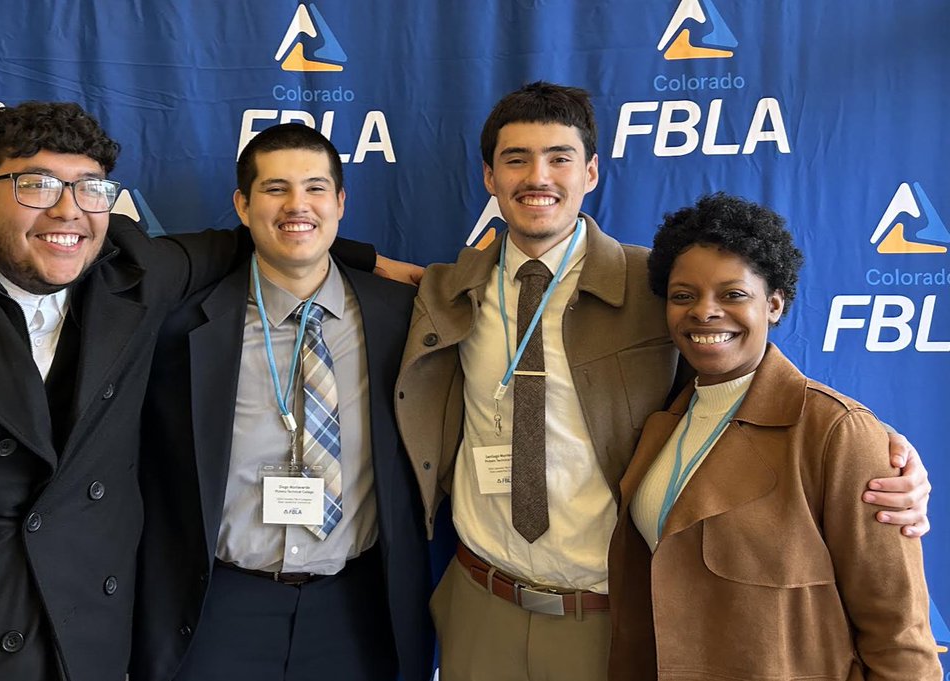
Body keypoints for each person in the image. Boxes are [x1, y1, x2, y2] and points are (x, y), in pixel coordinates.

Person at [0, 103, 382, 681]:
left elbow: (270, 235)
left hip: (82, 654)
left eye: (89, 189)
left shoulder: (135, 280)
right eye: (37, 185)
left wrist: (365, 258)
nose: (67, 210)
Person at [393, 82, 933, 681]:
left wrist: (883, 457)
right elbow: (305, 247)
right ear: (490, 177)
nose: (537, 176)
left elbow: (744, 383)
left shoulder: (661, 285)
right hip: (479, 602)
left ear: (591, 171)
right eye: (516, 158)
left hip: (612, 615)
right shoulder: (448, 291)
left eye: (559, 157)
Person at [130, 123, 433, 681]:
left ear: (340, 202)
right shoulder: (182, 326)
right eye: (276, 189)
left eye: (316, 188)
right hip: (217, 609)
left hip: (356, 612)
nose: (299, 205)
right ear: (242, 206)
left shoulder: (405, 317)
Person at [607, 192, 941, 679]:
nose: (705, 311)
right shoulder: (664, 421)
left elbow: (899, 633)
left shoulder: (837, 433)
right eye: (683, 296)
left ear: (776, 304)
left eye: (733, 294)